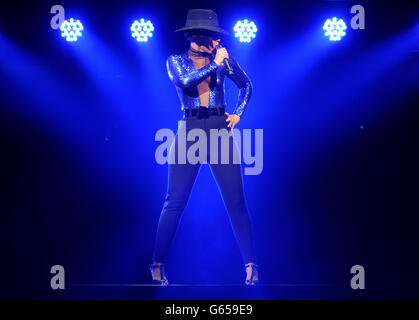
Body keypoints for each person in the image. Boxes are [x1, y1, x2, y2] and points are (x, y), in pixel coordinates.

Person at [151, 9, 258, 285]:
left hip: (219, 129)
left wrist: (238, 114)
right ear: (199, 37)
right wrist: (217, 65)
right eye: (213, 38)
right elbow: (186, 82)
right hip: (190, 130)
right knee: (174, 201)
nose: (218, 43)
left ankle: (250, 265)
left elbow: (246, 85)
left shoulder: (222, 59)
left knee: (236, 201)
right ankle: (157, 265)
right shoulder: (176, 61)